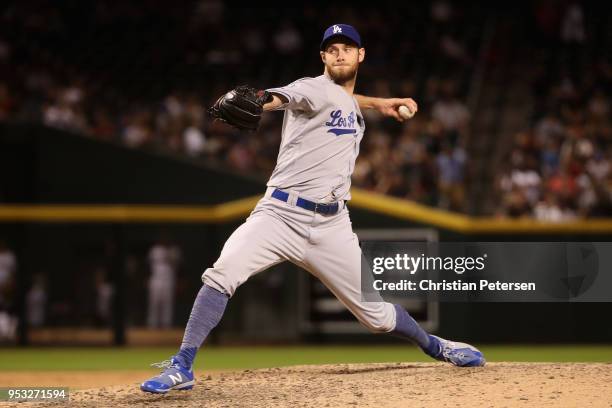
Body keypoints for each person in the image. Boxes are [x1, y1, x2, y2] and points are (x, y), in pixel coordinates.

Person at [141, 23, 485, 394]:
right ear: (322, 57)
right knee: (221, 274)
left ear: (360, 55)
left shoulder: (350, 104)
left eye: (347, 48)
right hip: (279, 216)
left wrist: (380, 103)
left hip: (332, 226)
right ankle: (182, 366)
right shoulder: (310, 87)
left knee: (378, 317)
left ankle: (436, 346)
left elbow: (344, 99)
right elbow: (285, 97)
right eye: (332, 48)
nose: (340, 53)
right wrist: (259, 98)